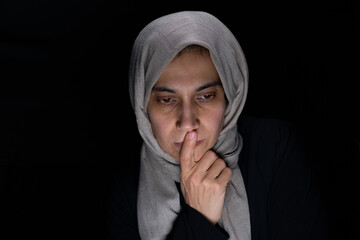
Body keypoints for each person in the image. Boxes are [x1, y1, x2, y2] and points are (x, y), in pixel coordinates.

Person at [106, 11, 328, 239]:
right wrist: (199, 215)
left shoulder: (273, 148)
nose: (188, 123)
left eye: (205, 96)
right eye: (166, 99)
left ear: (230, 96)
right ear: (143, 106)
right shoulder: (125, 185)